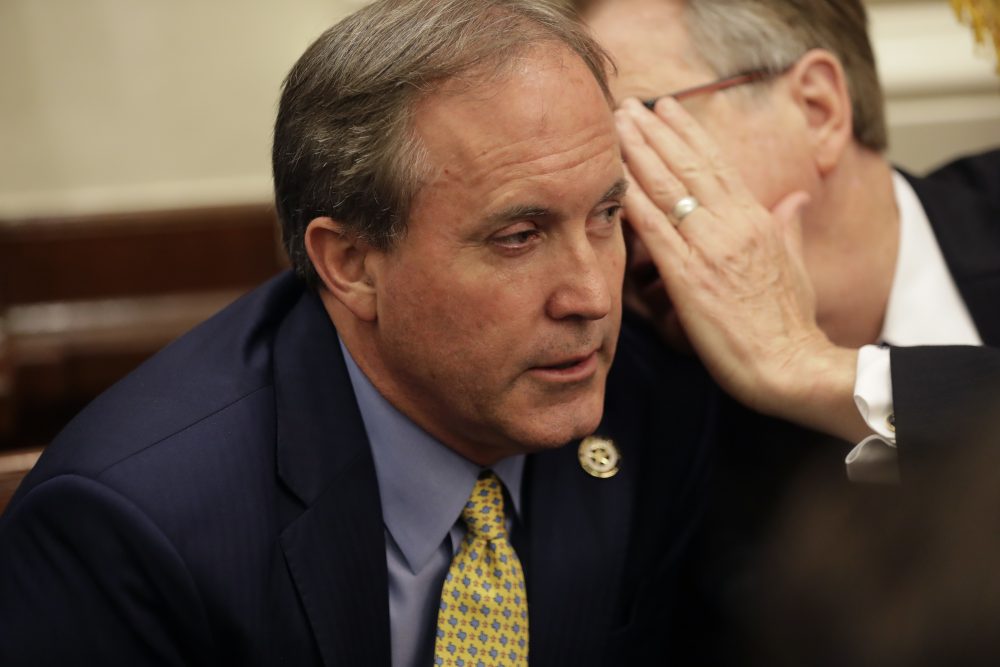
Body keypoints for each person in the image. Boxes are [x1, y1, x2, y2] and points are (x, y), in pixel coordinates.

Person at [0, 1, 716, 665]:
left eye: (605, 215)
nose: (592, 295)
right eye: (519, 236)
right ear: (350, 264)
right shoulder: (134, 528)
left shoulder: (651, 402)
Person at [572, 0, 1000, 661]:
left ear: (818, 107)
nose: (610, 205)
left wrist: (814, 369)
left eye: (637, 133)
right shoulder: (617, 392)